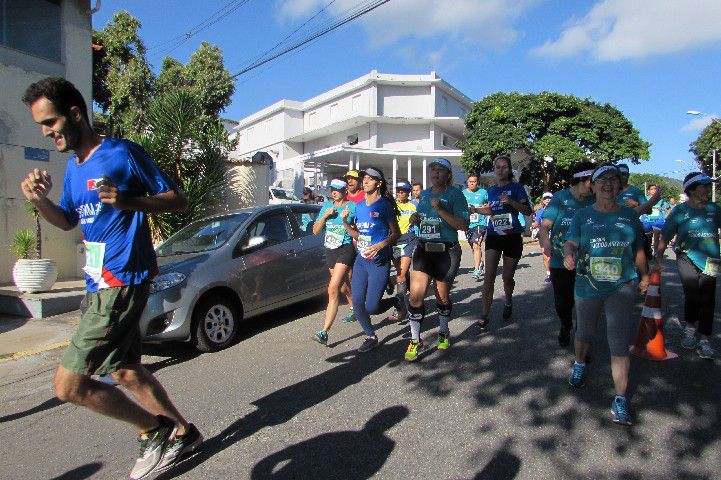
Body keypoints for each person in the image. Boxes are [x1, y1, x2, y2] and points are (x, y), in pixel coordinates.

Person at [20, 77, 200, 478]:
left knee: (68, 387)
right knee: (125, 371)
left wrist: (128, 200)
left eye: (50, 123)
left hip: (122, 280)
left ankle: (154, 430)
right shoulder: (73, 168)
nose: (47, 133)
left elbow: (178, 199)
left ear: (75, 114)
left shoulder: (121, 153)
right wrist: (38, 201)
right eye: (41, 127)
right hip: (97, 283)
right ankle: (183, 433)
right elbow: (67, 221)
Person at [563, 164, 649, 426]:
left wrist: (644, 276)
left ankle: (620, 399)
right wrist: (569, 253)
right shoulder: (582, 216)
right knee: (584, 333)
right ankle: (579, 363)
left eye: (613, 180)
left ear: (619, 185)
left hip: (622, 285)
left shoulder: (630, 216)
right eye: (603, 180)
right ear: (593, 185)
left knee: (618, 340)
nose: (608, 184)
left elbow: (638, 250)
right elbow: (571, 241)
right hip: (588, 284)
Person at [405, 158, 469, 360]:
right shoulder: (423, 195)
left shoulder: (455, 195)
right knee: (415, 297)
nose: (435, 173)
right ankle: (415, 340)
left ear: (448, 174)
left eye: (440, 170)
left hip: (446, 251)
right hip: (423, 249)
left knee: (442, 296)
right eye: (433, 170)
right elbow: (421, 216)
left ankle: (443, 330)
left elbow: (463, 225)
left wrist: (441, 210)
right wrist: (416, 218)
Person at [656, 172, 720, 360]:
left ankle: (705, 340)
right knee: (692, 293)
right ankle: (690, 329)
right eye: (704, 187)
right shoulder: (679, 211)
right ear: (691, 190)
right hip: (686, 256)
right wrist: (659, 257)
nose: (708, 190)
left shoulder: (714, 209)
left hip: (712, 259)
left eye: (709, 187)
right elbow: (665, 235)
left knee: (708, 298)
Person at [341, 167, 400, 352]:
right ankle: (370, 336)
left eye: (370, 179)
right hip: (361, 261)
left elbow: (396, 233)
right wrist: (345, 223)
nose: (365, 181)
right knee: (357, 302)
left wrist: (380, 246)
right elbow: (358, 235)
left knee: (372, 306)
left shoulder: (384, 205)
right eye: (364, 178)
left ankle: (396, 301)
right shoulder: (358, 207)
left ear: (379, 183)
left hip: (379, 261)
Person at [538, 162, 595, 346]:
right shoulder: (560, 198)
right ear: (584, 180)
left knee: (583, 303)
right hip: (560, 261)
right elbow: (545, 225)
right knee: (563, 302)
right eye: (593, 182)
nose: (596, 186)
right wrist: (546, 242)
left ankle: (581, 344)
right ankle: (565, 324)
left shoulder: (595, 201)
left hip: (586, 262)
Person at [475, 155, 532, 331]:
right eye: (497, 167)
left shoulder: (516, 187)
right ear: (494, 169)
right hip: (494, 235)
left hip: (512, 236)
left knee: (507, 278)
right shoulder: (491, 190)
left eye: (504, 167)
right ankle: (485, 313)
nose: (500, 170)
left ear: (509, 169)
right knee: (489, 276)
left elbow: (528, 210)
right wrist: (475, 209)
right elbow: (491, 210)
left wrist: (512, 202)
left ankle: (508, 300)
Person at [312, 179, 357, 345]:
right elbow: (315, 231)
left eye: (338, 190)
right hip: (330, 250)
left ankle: (324, 331)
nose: (334, 192)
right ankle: (356, 307)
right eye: (332, 189)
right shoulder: (326, 207)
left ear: (345, 191)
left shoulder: (352, 207)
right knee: (344, 286)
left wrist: (346, 221)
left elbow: (359, 230)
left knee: (332, 287)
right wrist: (325, 215)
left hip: (345, 249)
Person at [388, 181, 416, 322]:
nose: (400, 193)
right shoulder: (392, 206)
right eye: (398, 191)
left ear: (408, 192)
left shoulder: (413, 206)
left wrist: (417, 219)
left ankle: (400, 307)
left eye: (403, 191)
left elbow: (420, 220)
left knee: (400, 274)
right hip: (394, 240)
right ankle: (413, 296)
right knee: (403, 275)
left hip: (409, 240)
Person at [463, 172, 489, 280]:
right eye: (470, 182)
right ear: (467, 182)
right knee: (473, 246)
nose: (472, 184)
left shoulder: (483, 192)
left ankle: (477, 269)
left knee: (476, 244)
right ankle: (480, 263)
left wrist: (483, 207)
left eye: (474, 181)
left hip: (480, 223)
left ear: (477, 182)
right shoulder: (463, 193)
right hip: (468, 223)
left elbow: (489, 205)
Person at [641, 184, 669, 254]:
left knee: (656, 237)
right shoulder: (645, 198)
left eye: (655, 189)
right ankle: (648, 250)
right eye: (652, 189)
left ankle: (656, 253)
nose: (654, 190)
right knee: (647, 237)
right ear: (648, 191)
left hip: (657, 220)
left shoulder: (660, 199)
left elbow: (667, 208)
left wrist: (665, 213)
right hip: (647, 220)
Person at [533, 192, 553, 282]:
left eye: (549, 198)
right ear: (543, 200)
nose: (548, 200)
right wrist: (533, 226)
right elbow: (537, 222)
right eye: (546, 198)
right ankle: (549, 274)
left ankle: (557, 272)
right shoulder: (540, 211)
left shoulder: (557, 210)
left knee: (555, 254)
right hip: (543, 235)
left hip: (554, 235)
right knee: (546, 256)